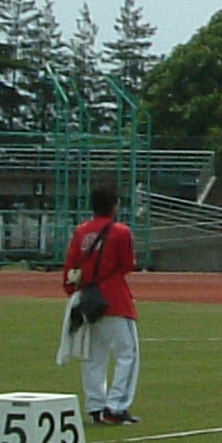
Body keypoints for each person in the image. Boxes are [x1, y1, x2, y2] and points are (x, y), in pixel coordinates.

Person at [61, 181, 141, 424]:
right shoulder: (121, 232)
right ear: (115, 205)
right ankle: (116, 406)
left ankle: (95, 406)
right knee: (127, 353)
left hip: (88, 298)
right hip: (115, 298)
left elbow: (70, 266)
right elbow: (127, 265)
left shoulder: (81, 231)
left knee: (94, 355)